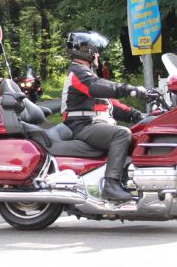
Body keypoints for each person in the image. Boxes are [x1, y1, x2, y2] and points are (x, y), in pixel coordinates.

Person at [62, 31, 147, 202]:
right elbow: (96, 87)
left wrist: (137, 115)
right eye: (96, 51)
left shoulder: (87, 74)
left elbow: (109, 104)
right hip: (82, 125)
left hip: (92, 123)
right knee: (121, 134)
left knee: (140, 131)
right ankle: (111, 185)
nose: (98, 55)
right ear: (86, 51)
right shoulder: (78, 72)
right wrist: (127, 88)